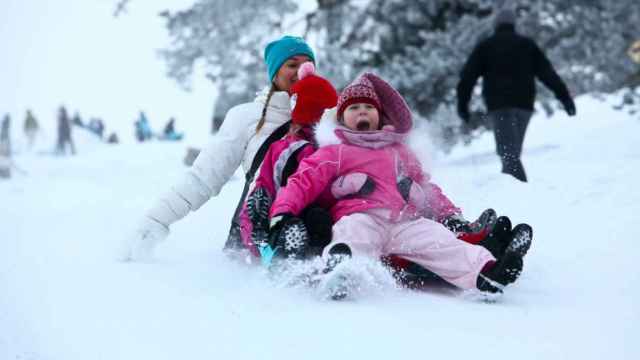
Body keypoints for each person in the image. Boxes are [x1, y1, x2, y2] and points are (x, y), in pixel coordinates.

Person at [269, 72, 532, 297]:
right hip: (362, 216)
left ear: (380, 116)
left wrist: (450, 214)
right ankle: (340, 269)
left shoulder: (399, 151)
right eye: (353, 108)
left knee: (439, 239)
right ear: (342, 118)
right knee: (352, 233)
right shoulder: (336, 151)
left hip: (405, 222)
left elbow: (427, 188)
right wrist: (282, 213)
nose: (362, 111)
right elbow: (304, 180)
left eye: (369, 107)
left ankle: (486, 272)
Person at [120, 35, 317, 261]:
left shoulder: (330, 118)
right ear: (274, 73)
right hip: (258, 232)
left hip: (319, 228)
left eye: (307, 65)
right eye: (292, 65)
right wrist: (156, 221)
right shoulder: (246, 117)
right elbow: (203, 178)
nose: (301, 71)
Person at [456, 7, 576, 182]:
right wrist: (565, 98)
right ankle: (515, 194)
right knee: (511, 153)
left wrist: (462, 105)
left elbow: (467, 78)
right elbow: (548, 74)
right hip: (524, 106)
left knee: (509, 154)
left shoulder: (486, 46)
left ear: (496, 25)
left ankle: (519, 194)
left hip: (499, 106)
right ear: (513, 24)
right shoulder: (527, 45)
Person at [240, 61, 338, 263]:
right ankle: (278, 247)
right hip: (285, 216)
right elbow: (263, 190)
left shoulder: (335, 151)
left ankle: (287, 251)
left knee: (318, 218)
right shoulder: (287, 149)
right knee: (302, 218)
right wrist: (255, 227)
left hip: (321, 221)